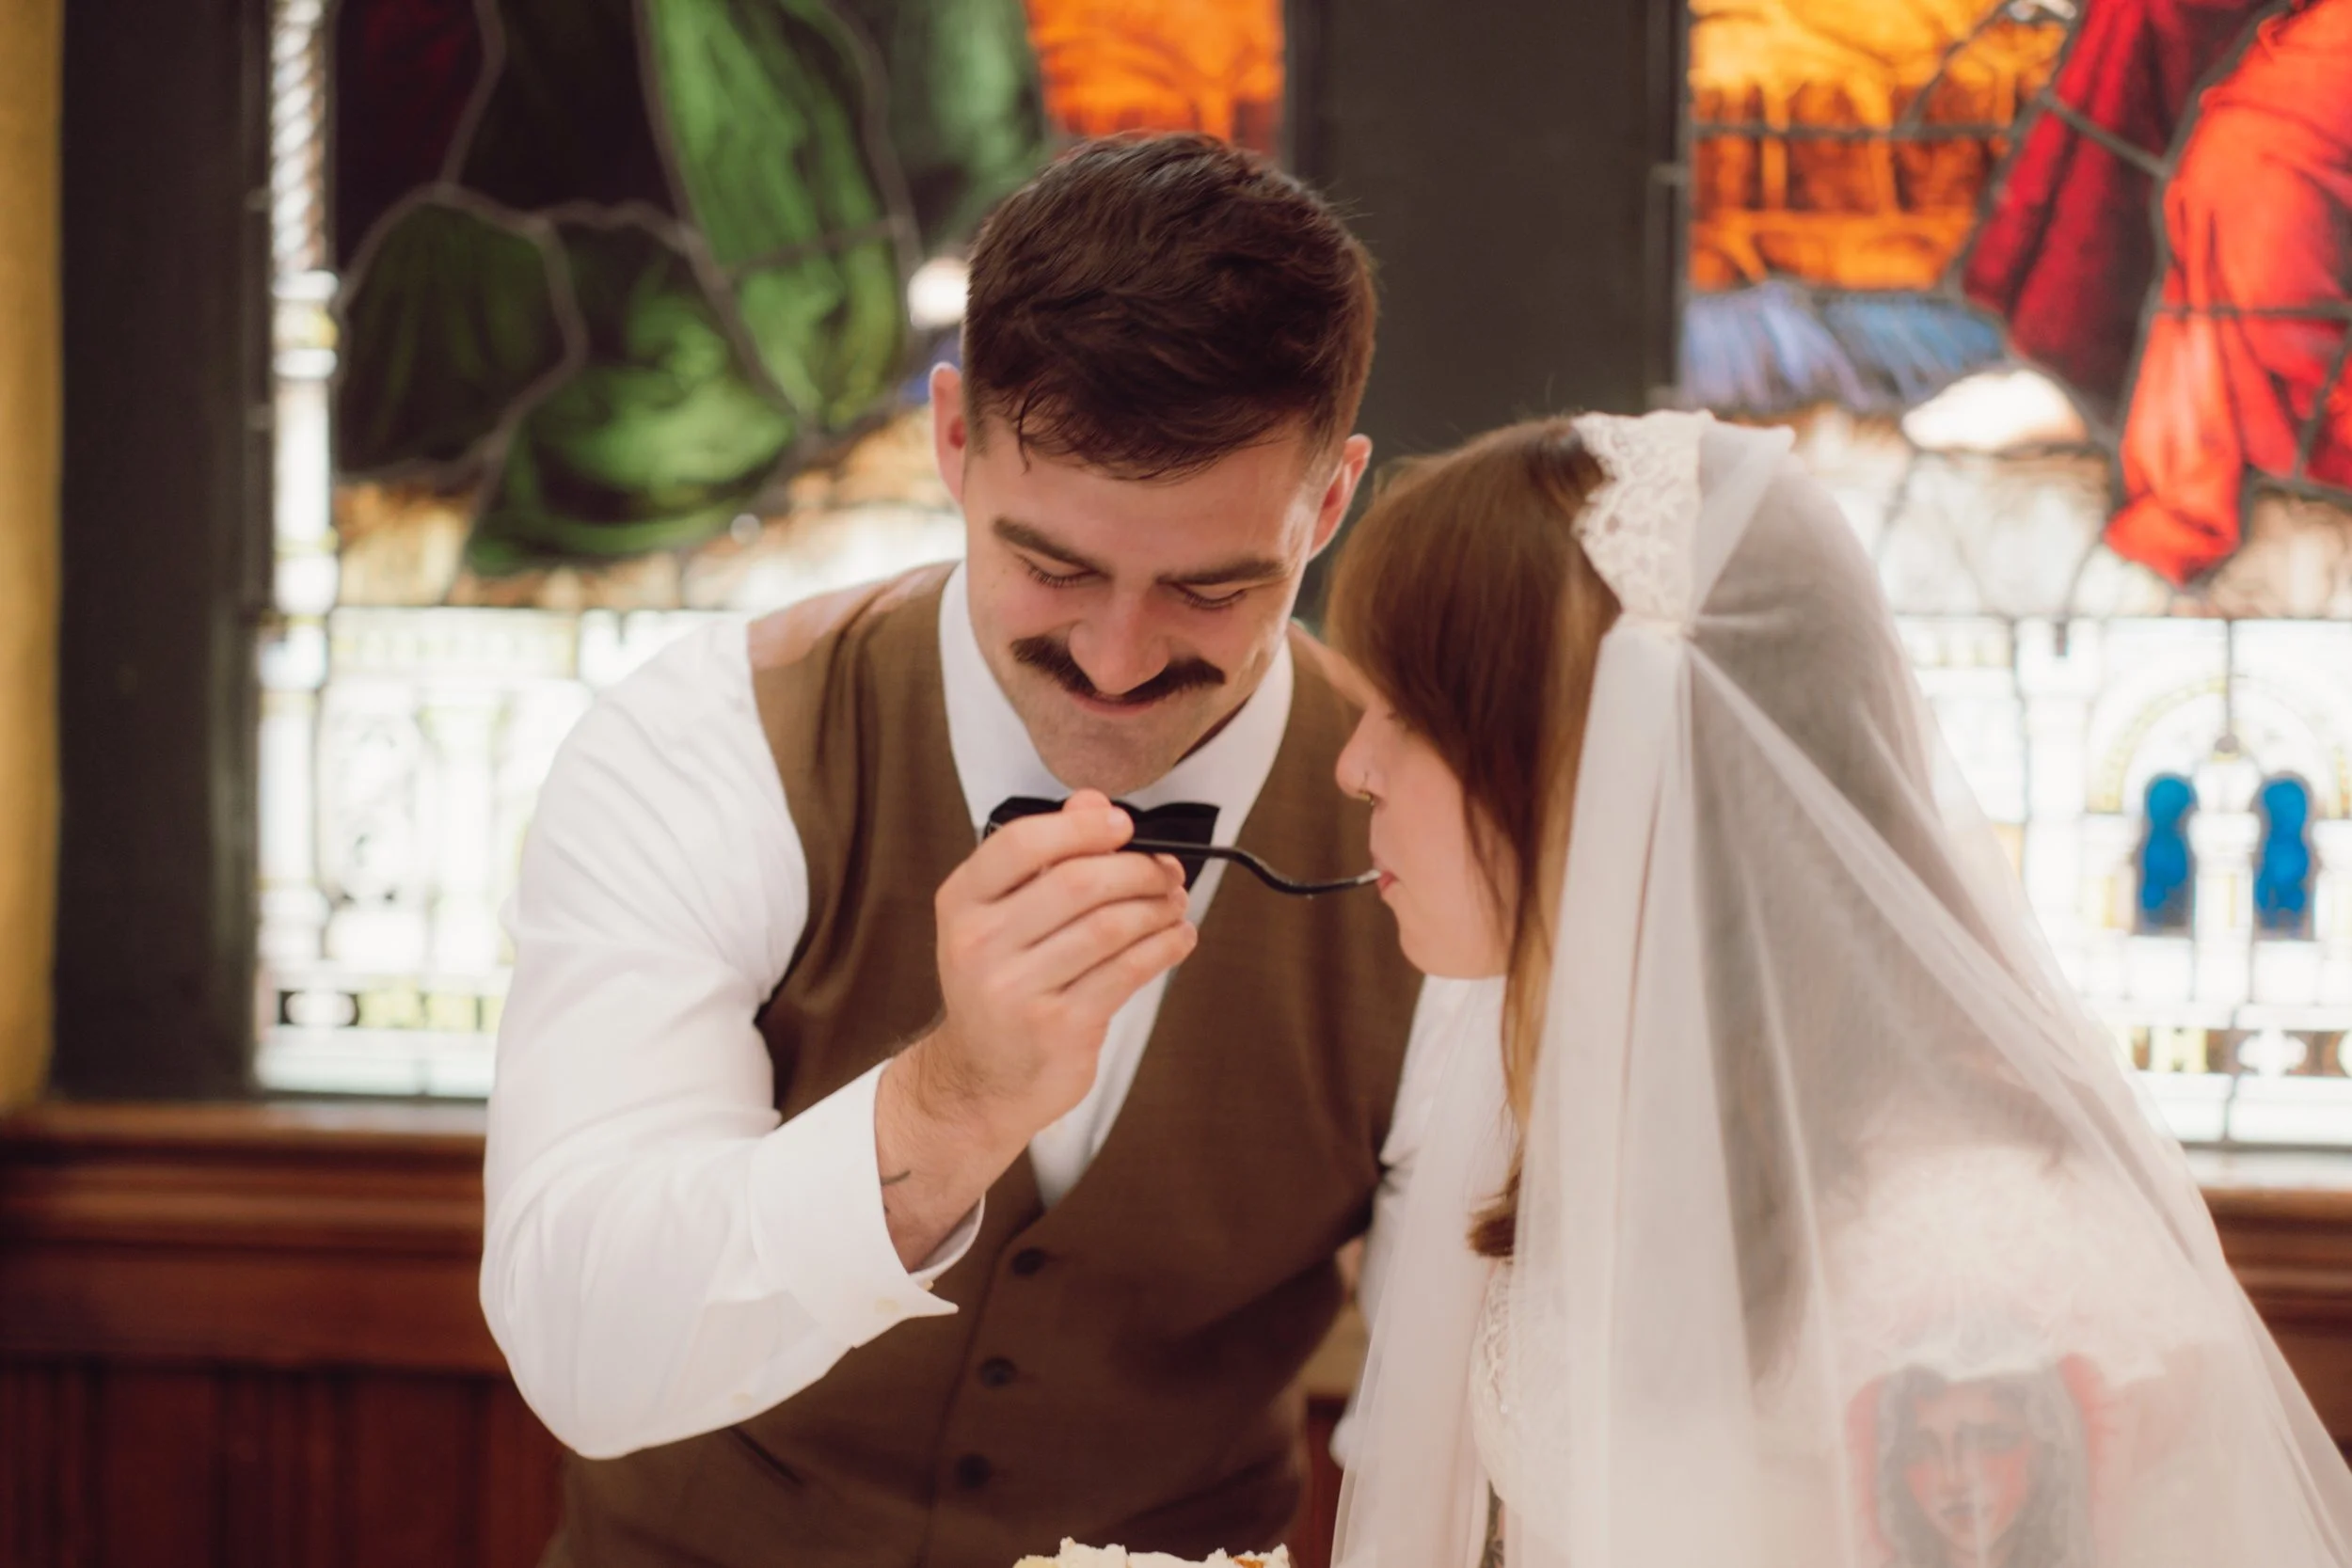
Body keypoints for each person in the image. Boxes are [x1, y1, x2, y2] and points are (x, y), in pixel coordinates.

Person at [481, 133, 1468, 1568]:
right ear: (952, 437)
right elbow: (579, 1344)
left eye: (1211, 585)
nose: (1118, 659)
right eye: (1054, 565)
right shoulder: (706, 746)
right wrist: (948, 1103)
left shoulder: (1429, 814)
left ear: (1328, 501)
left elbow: (1470, 1353)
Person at [1321, 409, 2352, 1566]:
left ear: (1590, 758)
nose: (1354, 765)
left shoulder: (1973, 1253)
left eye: (1407, 716)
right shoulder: (1605, 1111)